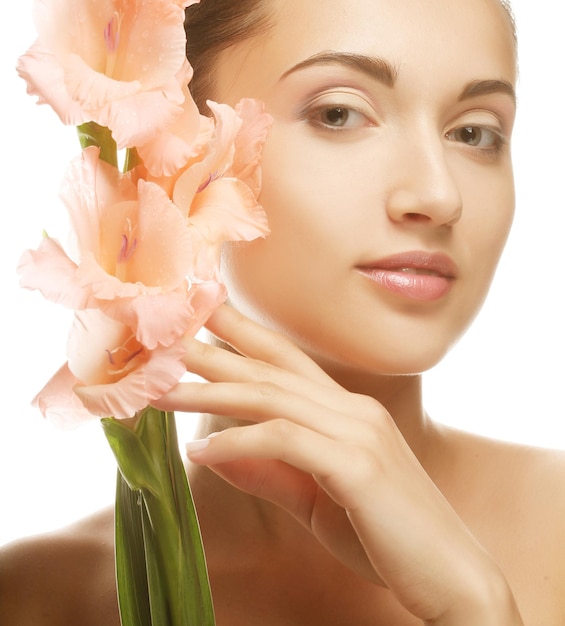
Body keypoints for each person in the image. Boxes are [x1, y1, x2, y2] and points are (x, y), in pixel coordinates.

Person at [1, 0, 564, 624]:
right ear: (172, 144)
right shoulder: (41, 597)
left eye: (474, 131)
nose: (438, 195)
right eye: (339, 113)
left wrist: (476, 605)